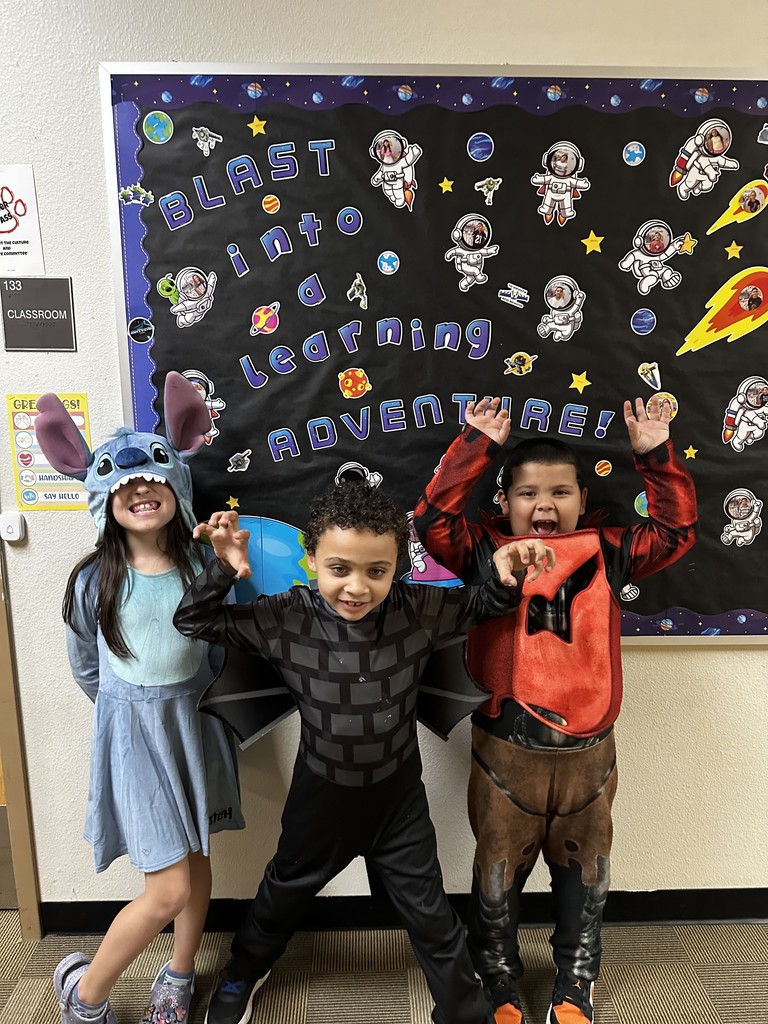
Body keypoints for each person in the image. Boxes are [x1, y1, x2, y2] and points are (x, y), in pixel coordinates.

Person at [173, 482, 556, 1024]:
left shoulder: (419, 609)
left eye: (377, 571)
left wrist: (506, 570)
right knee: (281, 894)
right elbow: (192, 622)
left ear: (398, 566)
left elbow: (482, 604)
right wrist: (222, 570)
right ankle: (241, 973)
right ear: (311, 559)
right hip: (318, 798)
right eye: (339, 568)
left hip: (397, 801)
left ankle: (464, 1008)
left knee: (432, 918)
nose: (357, 587)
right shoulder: (285, 616)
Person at [414, 395, 697, 1024]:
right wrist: (475, 448)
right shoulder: (483, 548)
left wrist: (656, 456)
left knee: (586, 870)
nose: (544, 506)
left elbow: (676, 531)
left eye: (561, 492)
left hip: (589, 753)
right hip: (503, 750)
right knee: (495, 873)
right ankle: (499, 979)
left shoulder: (608, 547)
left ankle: (577, 979)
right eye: (527, 494)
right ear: (503, 501)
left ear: (581, 498)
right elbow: (431, 521)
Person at [35, 373, 245, 1024]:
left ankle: (179, 974)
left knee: (198, 857)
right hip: (133, 737)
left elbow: (219, 648)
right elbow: (87, 668)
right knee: (168, 886)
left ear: (178, 486)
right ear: (103, 502)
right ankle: (85, 994)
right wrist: (129, 712)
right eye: (125, 488)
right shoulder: (91, 581)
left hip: (194, 727)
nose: (141, 492)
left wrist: (194, 702)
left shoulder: (203, 568)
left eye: (153, 480)